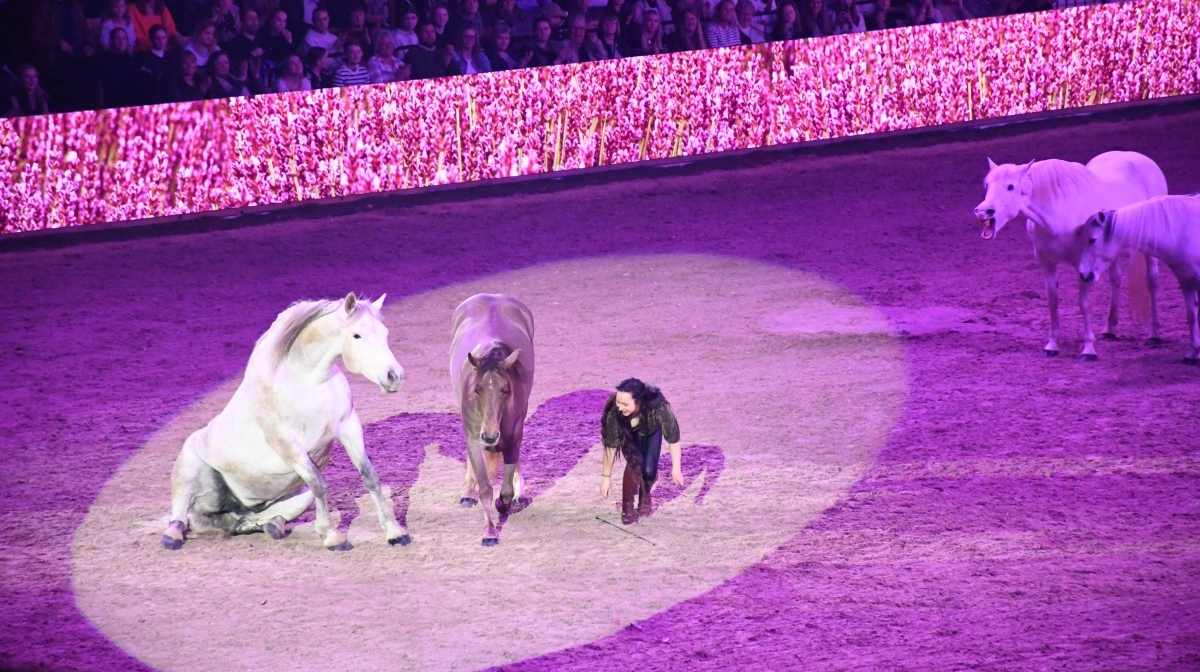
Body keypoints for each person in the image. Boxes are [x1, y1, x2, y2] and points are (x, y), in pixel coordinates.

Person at [600, 378, 683, 525]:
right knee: (634, 461)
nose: (619, 407)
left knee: (649, 471)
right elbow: (611, 447)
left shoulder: (658, 406)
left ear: (639, 402)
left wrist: (676, 469)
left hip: (651, 432)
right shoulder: (614, 412)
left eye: (625, 404)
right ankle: (627, 507)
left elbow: (673, 437)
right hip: (629, 432)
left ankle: (645, 492)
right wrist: (606, 477)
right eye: (618, 402)